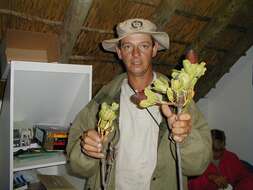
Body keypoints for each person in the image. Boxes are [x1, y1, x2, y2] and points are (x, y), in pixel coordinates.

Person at [66, 18, 212, 190]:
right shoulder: (104, 99)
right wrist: (87, 150)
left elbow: (197, 166)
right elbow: (77, 166)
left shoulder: (178, 99)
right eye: (128, 46)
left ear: (154, 49)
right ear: (119, 52)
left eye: (143, 46)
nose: (135, 54)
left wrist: (185, 137)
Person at [188, 129, 253, 190]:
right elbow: (189, 186)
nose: (218, 154)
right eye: (215, 150)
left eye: (221, 149)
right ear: (207, 146)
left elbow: (246, 177)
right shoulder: (197, 161)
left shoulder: (231, 157)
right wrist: (210, 178)